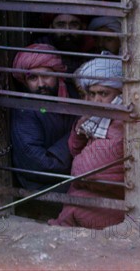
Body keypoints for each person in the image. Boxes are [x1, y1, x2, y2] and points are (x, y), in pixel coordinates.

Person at [48, 57, 126, 229]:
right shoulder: (96, 120)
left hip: (114, 199)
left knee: (76, 207)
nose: (96, 100)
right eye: (92, 94)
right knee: (74, 200)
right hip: (90, 191)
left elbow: (85, 169)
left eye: (103, 94)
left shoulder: (120, 125)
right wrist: (80, 126)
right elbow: (74, 149)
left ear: (119, 94)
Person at [10, 44, 78, 191]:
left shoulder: (72, 95)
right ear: (24, 81)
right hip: (43, 186)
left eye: (46, 75)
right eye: (33, 78)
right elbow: (39, 165)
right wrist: (76, 134)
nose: (41, 84)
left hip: (73, 175)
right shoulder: (25, 111)